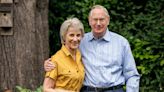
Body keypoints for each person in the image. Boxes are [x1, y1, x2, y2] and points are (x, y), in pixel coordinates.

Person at [44, 5, 140, 92]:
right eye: (95, 19)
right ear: (89, 21)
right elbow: (65, 57)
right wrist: (50, 64)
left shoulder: (121, 43)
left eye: (101, 19)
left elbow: (132, 74)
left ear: (108, 20)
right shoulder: (80, 41)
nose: (98, 23)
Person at [43, 17, 85, 92]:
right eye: (71, 35)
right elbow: (46, 89)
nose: (75, 39)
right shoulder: (56, 60)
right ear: (64, 37)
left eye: (78, 35)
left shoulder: (80, 56)